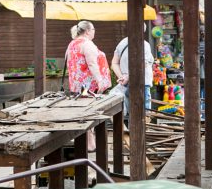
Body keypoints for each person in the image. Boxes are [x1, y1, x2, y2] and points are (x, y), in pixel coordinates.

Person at [65, 20, 111, 152]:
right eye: (93, 29)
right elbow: (92, 64)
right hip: (88, 86)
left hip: (77, 85)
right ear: (87, 31)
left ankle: (88, 142)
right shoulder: (87, 44)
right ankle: (90, 143)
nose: (94, 31)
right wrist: (100, 81)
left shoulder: (72, 43)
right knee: (90, 113)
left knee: (83, 113)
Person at [111, 25, 155, 126]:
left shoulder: (122, 43)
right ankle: (140, 138)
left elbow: (114, 63)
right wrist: (127, 77)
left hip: (126, 83)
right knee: (143, 114)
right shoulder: (145, 45)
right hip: (142, 83)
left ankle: (132, 137)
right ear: (143, 31)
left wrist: (122, 77)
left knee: (131, 113)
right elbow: (143, 64)